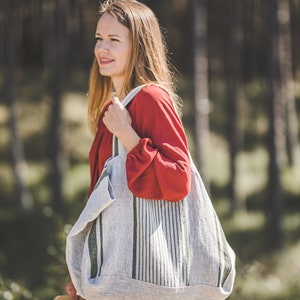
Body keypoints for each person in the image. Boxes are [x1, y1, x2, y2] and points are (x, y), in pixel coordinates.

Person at [65, 0, 191, 299]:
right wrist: (84, 267)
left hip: (141, 271)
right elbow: (100, 196)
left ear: (139, 46)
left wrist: (127, 135)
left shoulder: (151, 99)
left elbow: (179, 181)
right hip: (113, 267)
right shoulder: (113, 106)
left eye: (114, 40)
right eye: (98, 38)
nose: (101, 49)